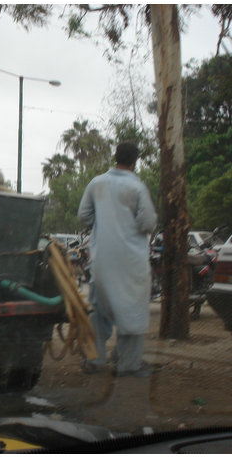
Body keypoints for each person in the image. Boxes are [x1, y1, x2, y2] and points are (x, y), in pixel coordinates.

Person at [77, 142, 158, 378]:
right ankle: (128, 365)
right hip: (131, 262)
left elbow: (84, 216)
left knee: (99, 309)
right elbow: (148, 223)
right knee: (133, 310)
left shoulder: (96, 183)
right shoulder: (137, 186)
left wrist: (105, 224)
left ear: (115, 157)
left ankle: (94, 359)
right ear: (135, 161)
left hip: (101, 260)